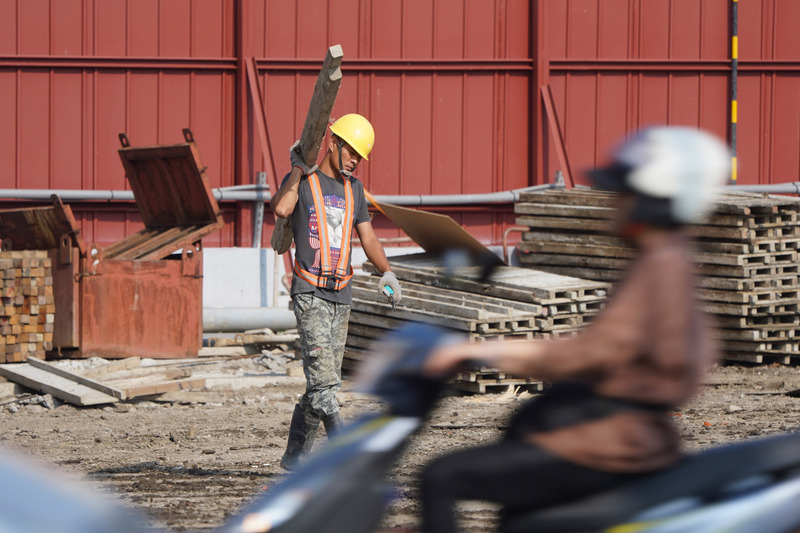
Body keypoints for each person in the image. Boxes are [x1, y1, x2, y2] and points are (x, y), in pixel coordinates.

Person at [419, 126, 730, 533]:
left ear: (655, 201)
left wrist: (480, 351)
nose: (614, 205)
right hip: (617, 437)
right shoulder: (671, 261)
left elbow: (593, 353)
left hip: (608, 443)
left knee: (440, 477)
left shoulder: (660, 266)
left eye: (624, 193)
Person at [270, 113, 402, 471]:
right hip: (309, 293)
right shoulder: (304, 182)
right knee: (325, 383)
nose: (354, 160)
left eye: (359, 156)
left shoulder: (353, 189)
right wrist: (297, 169)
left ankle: (294, 459)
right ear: (333, 142)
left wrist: (387, 271)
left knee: (323, 384)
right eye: (351, 151)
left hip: (341, 295)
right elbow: (281, 209)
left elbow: (368, 236)